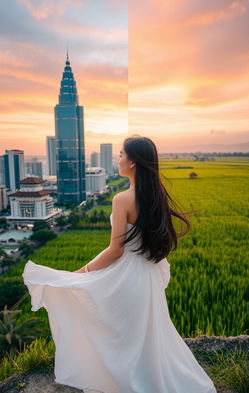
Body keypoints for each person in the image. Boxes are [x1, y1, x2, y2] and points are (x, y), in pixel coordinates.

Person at [22, 135, 217, 393]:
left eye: (122, 155)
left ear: (133, 162)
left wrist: (83, 272)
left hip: (127, 277)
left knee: (118, 334)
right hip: (147, 277)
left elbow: (116, 251)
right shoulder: (157, 196)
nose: (119, 159)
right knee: (146, 336)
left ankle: (126, 383)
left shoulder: (122, 199)